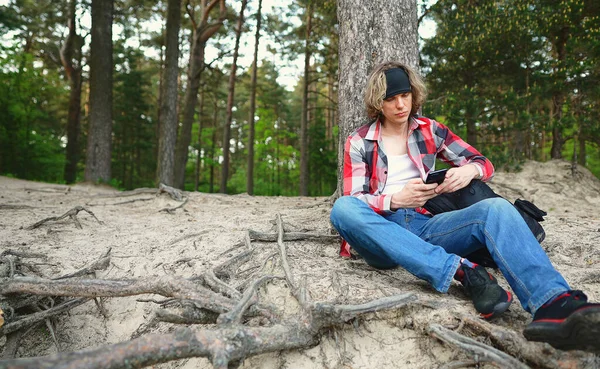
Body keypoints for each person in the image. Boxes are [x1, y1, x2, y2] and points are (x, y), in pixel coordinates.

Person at [330, 61, 600, 351]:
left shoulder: (429, 129)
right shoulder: (358, 141)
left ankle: (553, 303)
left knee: (495, 208)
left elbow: (483, 162)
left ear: (413, 95)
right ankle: (461, 270)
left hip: (425, 224)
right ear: (378, 103)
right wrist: (395, 200)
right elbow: (355, 199)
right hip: (381, 232)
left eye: (405, 96)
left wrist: (468, 171)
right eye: (391, 99)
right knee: (342, 209)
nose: (400, 105)